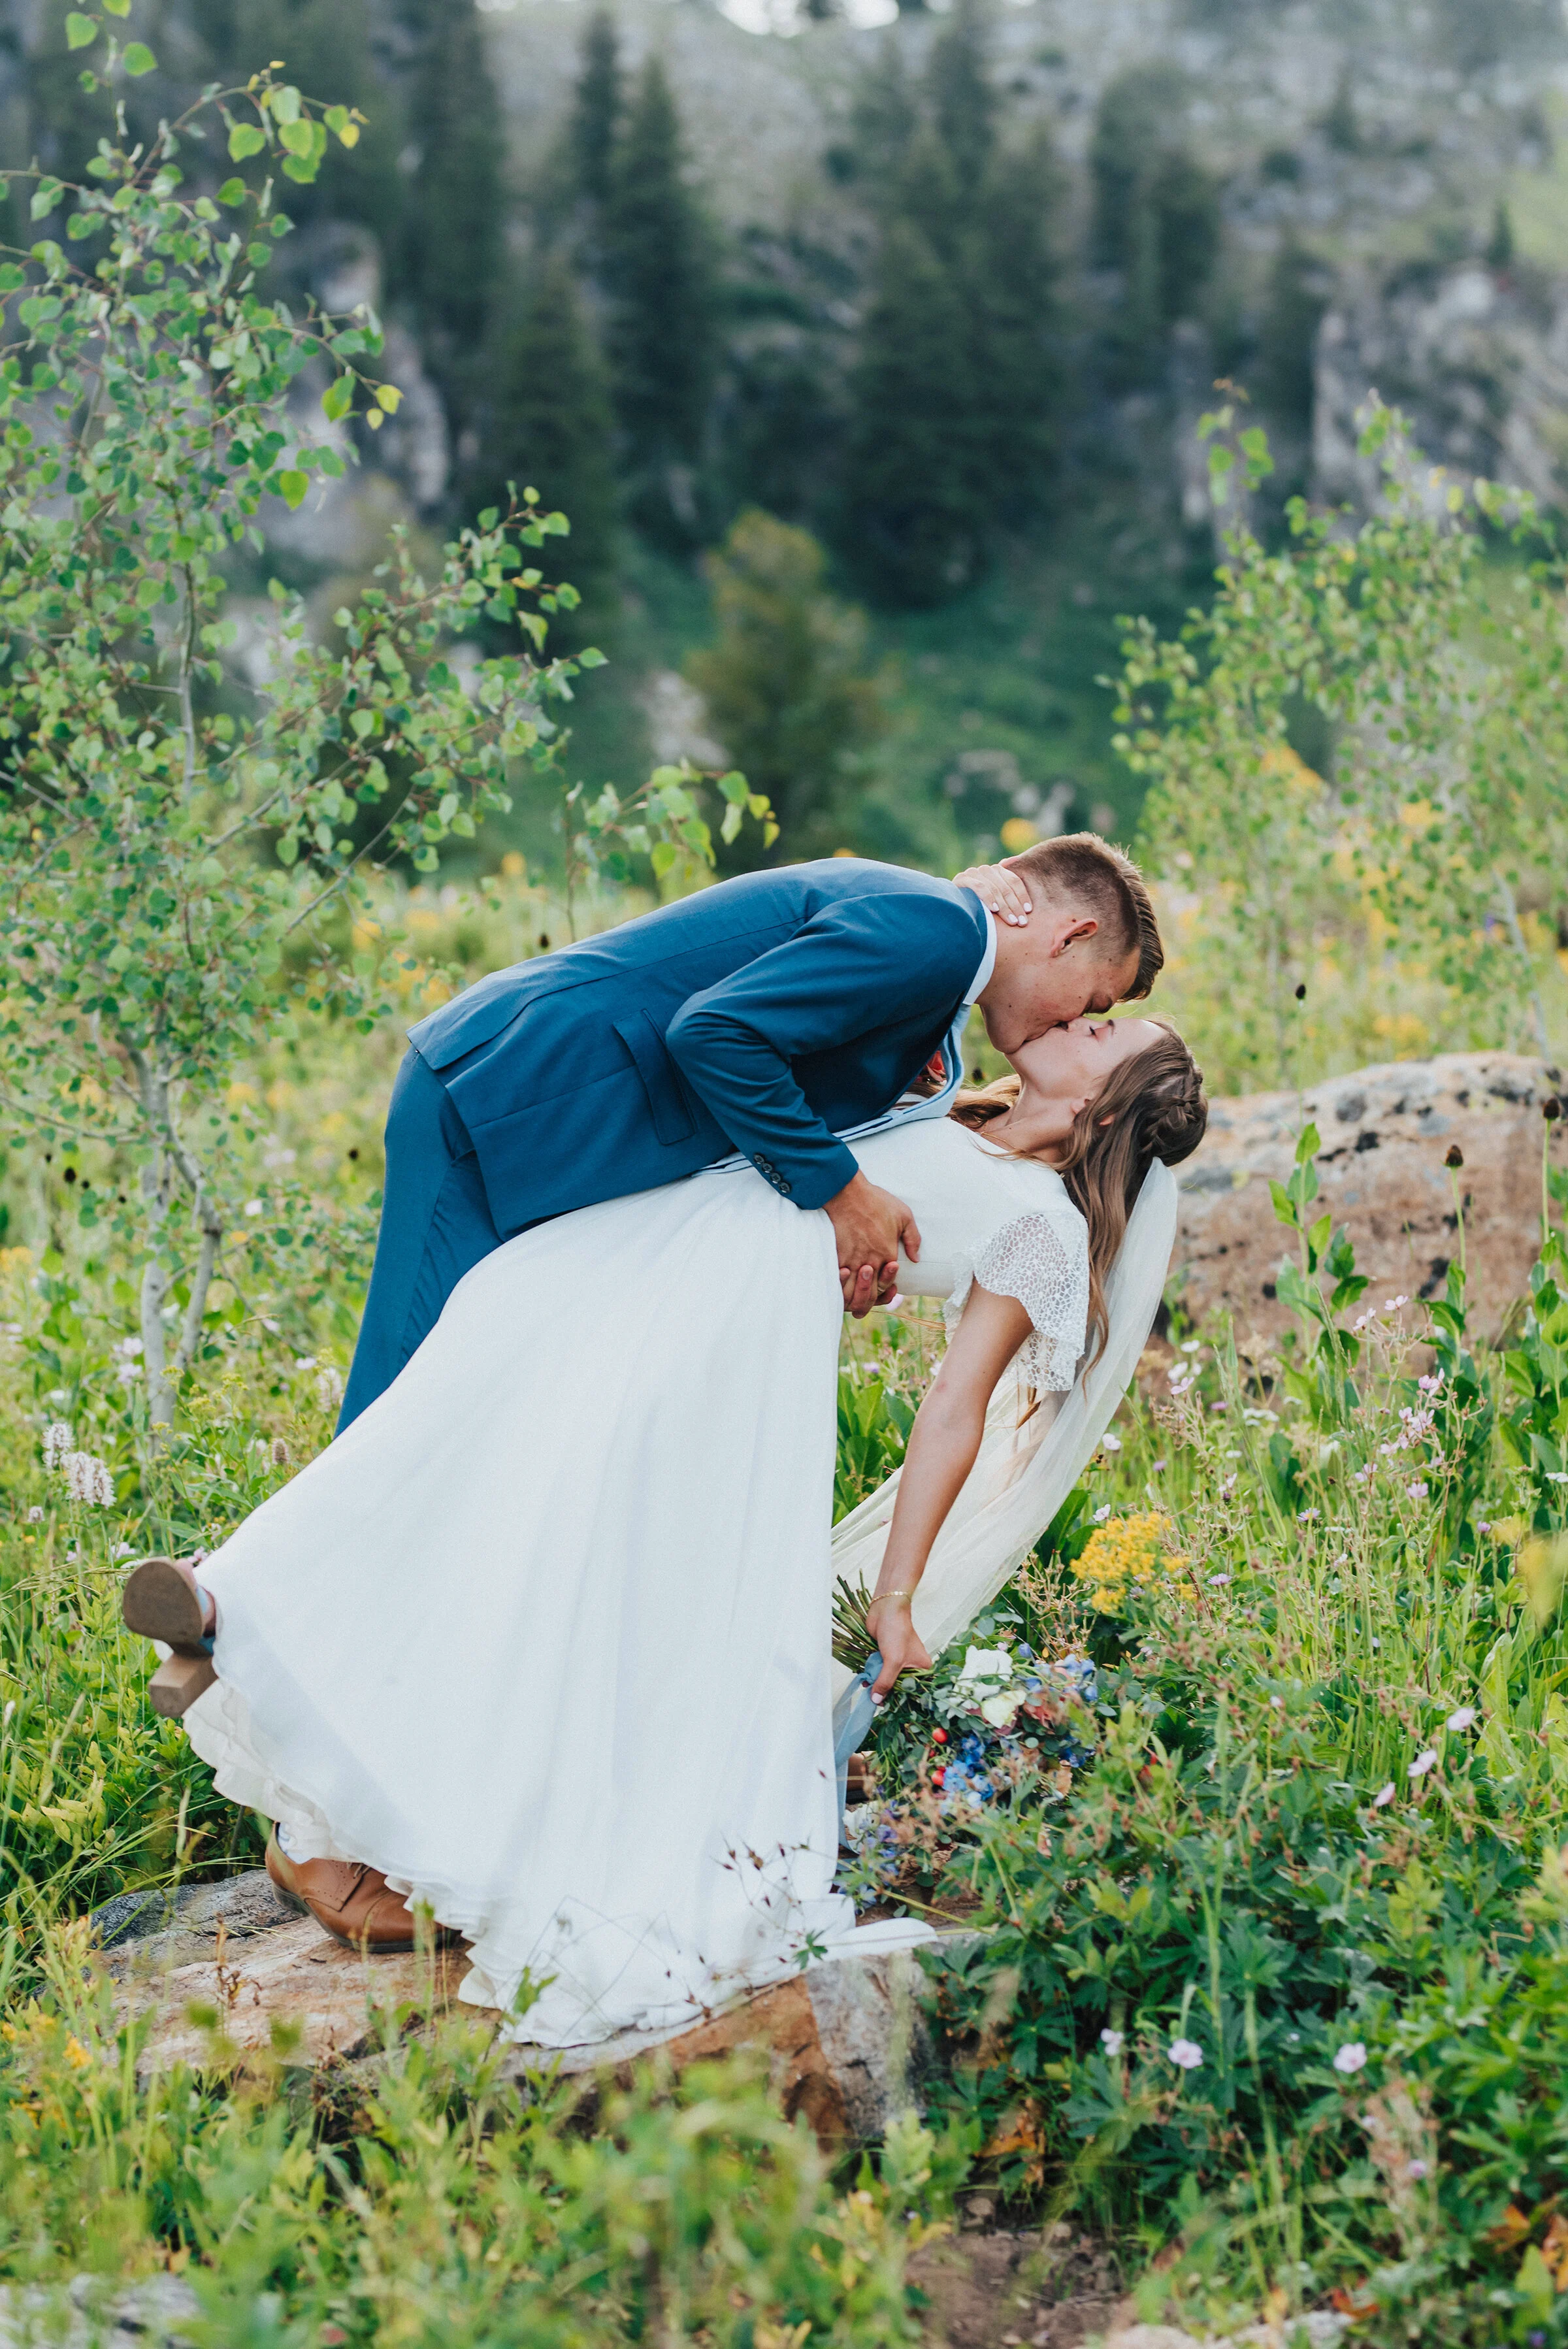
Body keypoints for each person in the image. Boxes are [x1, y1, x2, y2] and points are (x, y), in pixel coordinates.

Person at [122, 1005, 1207, 2050]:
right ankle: (268, 1630)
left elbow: (955, 1409)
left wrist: (896, 1592)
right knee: (472, 1455)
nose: (1083, 1022)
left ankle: (365, 1796)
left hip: (721, 1347)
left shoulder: (1048, 1226)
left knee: (575, 1568)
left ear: (1107, 1113)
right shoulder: (944, 1110)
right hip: (651, 1244)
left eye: (1109, 1035)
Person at [331, 840, 1162, 1432]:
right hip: (514, 1092)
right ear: (1070, 936)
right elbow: (714, 1033)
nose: (1073, 1021)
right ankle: (240, 1613)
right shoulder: (941, 931)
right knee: (402, 1386)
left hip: (547, 1117)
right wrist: (844, 1196)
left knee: (469, 1389)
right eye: (1092, 1001)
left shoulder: (939, 959)